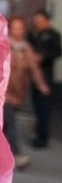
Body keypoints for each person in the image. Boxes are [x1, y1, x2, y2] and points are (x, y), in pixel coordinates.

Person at [3, 15, 49, 169]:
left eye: (21, 28)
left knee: (3, 126)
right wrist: (7, 95)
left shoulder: (25, 47)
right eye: (15, 27)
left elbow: (34, 69)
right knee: (11, 123)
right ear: (10, 28)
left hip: (17, 93)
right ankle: (16, 154)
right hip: (2, 92)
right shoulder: (3, 46)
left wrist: (41, 84)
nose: (18, 31)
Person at [28, 8, 60, 148]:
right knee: (36, 105)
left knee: (44, 107)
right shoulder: (33, 35)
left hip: (45, 74)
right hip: (33, 75)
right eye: (36, 22)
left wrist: (43, 56)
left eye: (40, 22)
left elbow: (57, 51)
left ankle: (43, 137)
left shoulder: (53, 35)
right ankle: (38, 132)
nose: (37, 24)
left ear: (47, 21)